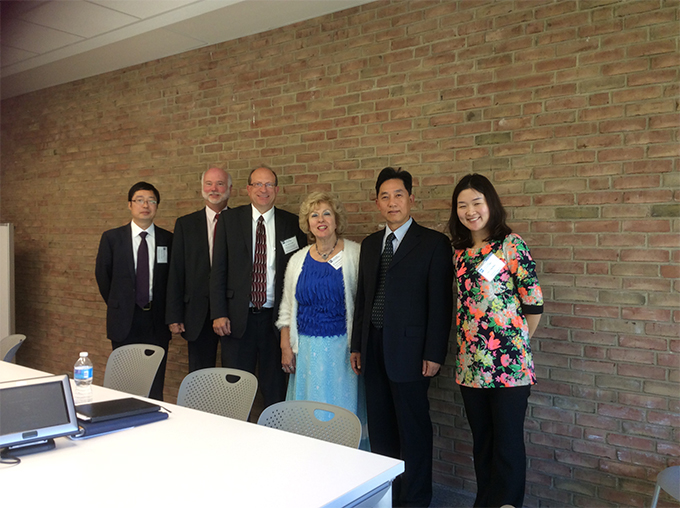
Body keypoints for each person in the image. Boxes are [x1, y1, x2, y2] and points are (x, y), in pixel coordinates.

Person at [351, 167, 453, 507]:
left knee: (413, 430)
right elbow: (363, 299)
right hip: (373, 347)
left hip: (411, 353)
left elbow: (441, 304)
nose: (392, 202)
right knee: (381, 431)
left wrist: (435, 352)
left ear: (411, 198)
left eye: (398, 195)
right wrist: (357, 345)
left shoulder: (433, 244)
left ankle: (416, 500)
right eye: (385, 196)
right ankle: (387, 498)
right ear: (377, 203)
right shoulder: (370, 245)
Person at [448, 173, 543, 508]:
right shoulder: (459, 252)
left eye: (477, 202)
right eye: (462, 205)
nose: (470, 211)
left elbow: (533, 303)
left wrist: (515, 344)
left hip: (509, 366)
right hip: (471, 366)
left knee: (507, 445)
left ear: (491, 204)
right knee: (483, 444)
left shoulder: (510, 245)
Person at [210, 166, 307, 409]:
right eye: (258, 184)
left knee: (275, 388)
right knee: (234, 388)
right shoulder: (229, 220)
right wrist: (219, 312)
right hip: (236, 320)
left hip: (275, 323)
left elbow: (298, 275)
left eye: (269, 184)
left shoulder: (292, 223)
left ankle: (274, 431)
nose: (263, 190)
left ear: (277, 189)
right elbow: (218, 269)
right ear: (248, 189)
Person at [276, 192, 368, 448]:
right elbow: (287, 308)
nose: (321, 219)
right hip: (306, 351)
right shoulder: (297, 259)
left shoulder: (355, 255)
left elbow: (363, 307)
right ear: (308, 223)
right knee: (308, 412)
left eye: (327, 213)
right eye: (314, 215)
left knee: (339, 410)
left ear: (337, 220)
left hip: (342, 352)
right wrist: (286, 346)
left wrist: (359, 347)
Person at [95, 181, 173, 400]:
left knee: (154, 381)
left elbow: (172, 280)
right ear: (130, 205)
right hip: (124, 319)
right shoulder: (112, 238)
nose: (145, 205)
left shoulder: (168, 239)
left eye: (151, 201)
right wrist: (120, 303)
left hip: (156, 319)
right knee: (125, 381)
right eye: (140, 200)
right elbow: (103, 276)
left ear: (157, 206)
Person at [166, 167, 232, 372]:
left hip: (232, 311)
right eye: (208, 184)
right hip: (196, 312)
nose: (214, 189)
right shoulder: (185, 224)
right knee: (199, 374)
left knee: (233, 373)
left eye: (220, 184)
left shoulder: (240, 222)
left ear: (230, 188)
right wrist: (174, 314)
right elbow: (176, 271)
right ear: (202, 188)